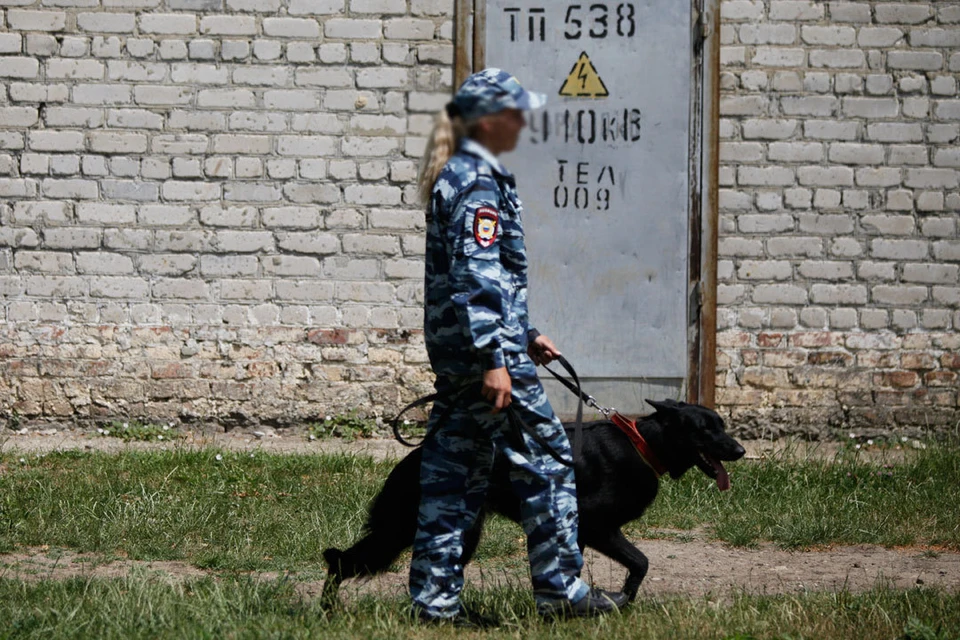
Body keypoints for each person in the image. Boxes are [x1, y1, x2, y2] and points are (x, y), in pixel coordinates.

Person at [409, 68, 628, 626]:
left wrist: (524, 334)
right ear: (489, 118)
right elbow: (476, 273)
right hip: (486, 358)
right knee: (551, 460)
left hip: (471, 351)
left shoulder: (463, 173)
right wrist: (496, 358)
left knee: (452, 476)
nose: (525, 120)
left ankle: (434, 605)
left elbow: (488, 280)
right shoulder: (477, 181)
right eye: (516, 111)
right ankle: (560, 592)